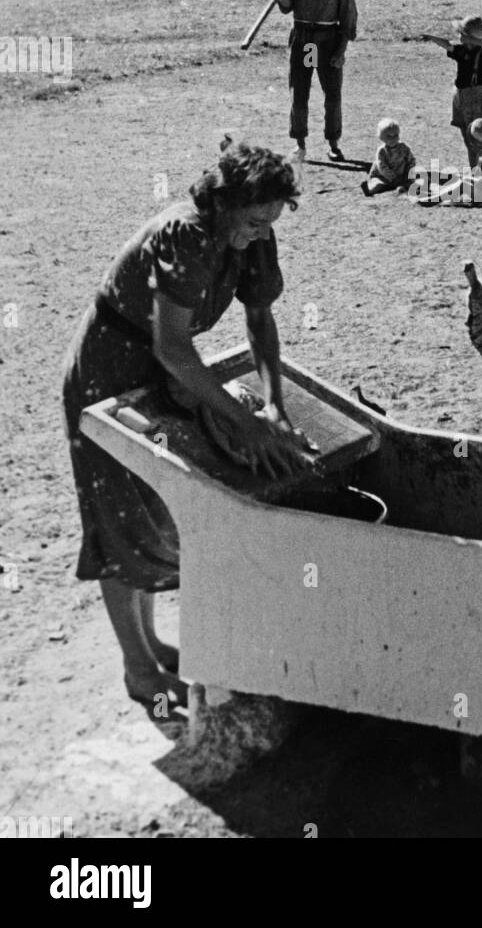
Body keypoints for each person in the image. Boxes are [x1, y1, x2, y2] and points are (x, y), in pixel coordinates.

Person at [62, 139, 303, 710]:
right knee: (119, 516)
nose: (260, 233)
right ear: (222, 204)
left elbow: (260, 321)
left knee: (155, 506)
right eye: (251, 221)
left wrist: (274, 406)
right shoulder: (187, 235)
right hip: (109, 370)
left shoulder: (253, 236)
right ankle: (139, 671)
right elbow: (172, 347)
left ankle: (152, 644)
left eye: (270, 222)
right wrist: (240, 421)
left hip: (160, 371)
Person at [277, 0, 358, 162]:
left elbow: (348, 16)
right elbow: (284, 7)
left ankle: (333, 143)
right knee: (299, 93)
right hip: (303, 40)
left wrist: (341, 49)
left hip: (328, 40)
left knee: (332, 95)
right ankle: (300, 143)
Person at [421, 16, 482, 166]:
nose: (459, 36)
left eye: (462, 33)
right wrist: (431, 37)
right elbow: (447, 45)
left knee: (474, 137)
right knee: (467, 136)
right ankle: (476, 167)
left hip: (472, 99)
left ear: (469, 37)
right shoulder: (462, 50)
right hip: (459, 96)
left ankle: (476, 170)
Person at [361, 118, 416, 196]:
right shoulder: (382, 151)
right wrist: (393, 179)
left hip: (401, 175)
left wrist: (408, 174)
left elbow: (411, 161)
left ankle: (401, 186)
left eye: (395, 135)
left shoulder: (404, 147)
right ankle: (389, 185)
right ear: (382, 138)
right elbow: (382, 167)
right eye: (389, 136)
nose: (393, 139)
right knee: (375, 186)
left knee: (412, 182)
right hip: (383, 176)